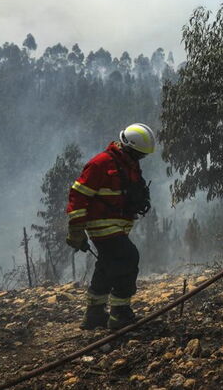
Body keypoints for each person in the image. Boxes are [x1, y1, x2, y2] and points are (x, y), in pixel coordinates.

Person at [66, 123, 155, 330]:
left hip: (119, 223)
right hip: (101, 223)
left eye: (142, 155)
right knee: (128, 256)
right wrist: (76, 229)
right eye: (137, 153)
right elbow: (78, 195)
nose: (140, 158)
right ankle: (120, 313)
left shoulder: (129, 164)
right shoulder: (100, 163)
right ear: (127, 146)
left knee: (108, 263)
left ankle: (95, 314)